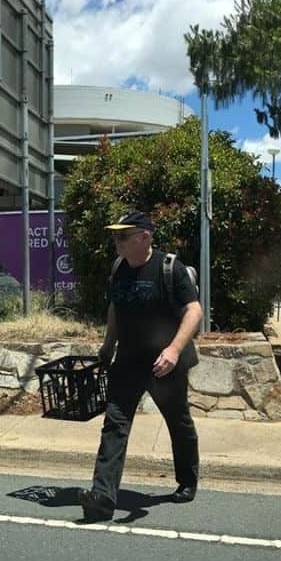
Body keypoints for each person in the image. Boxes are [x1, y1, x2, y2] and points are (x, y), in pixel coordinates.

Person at [79, 211, 203, 521]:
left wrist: (174, 350)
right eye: (115, 235)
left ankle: (187, 481)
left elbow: (194, 311)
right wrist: (109, 344)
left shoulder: (168, 268)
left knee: (178, 421)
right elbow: (115, 307)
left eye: (123, 235)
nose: (116, 241)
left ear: (144, 237)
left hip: (165, 363)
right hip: (129, 360)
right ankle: (103, 497)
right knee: (115, 424)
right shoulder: (119, 268)